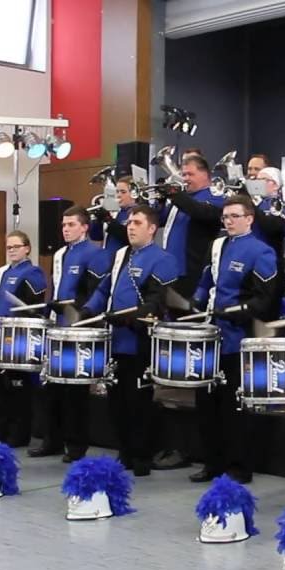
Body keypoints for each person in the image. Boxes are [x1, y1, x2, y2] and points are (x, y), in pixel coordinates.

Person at [83, 204, 180, 476]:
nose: (131, 227)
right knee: (116, 402)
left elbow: (157, 301)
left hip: (141, 342)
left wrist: (128, 318)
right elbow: (104, 288)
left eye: (137, 222)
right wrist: (87, 310)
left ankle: (142, 457)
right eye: (128, 223)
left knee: (139, 402)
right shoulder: (121, 255)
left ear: (152, 228)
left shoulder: (163, 259)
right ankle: (124, 452)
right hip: (115, 341)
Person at [190, 195, 279, 483]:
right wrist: (195, 302)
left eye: (234, 216)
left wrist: (234, 312)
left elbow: (264, 300)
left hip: (238, 338)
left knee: (234, 407)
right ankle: (212, 463)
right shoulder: (217, 246)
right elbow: (206, 281)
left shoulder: (262, 251)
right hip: (210, 335)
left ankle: (238, 466)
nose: (228, 221)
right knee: (206, 404)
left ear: (249, 218)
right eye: (225, 217)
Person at [32, 207, 109, 462]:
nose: (65, 229)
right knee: (52, 388)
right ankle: (52, 440)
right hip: (58, 329)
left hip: (79, 329)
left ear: (85, 227)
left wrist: (76, 310)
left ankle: (76, 445)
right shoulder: (60, 254)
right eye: (64, 225)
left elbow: (96, 292)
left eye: (71, 225)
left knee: (75, 392)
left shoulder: (95, 253)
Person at [0, 230, 48, 447]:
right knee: (2, 387)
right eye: (8, 247)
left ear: (27, 248)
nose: (11, 250)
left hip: (18, 336)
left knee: (18, 387)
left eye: (16, 247)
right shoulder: (1, 272)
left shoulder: (33, 272)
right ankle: (3, 430)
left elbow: (34, 305)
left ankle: (19, 433)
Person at [159, 155, 226, 298]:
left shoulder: (214, 195)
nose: (185, 178)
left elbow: (201, 212)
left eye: (190, 174)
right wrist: (161, 200)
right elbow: (160, 220)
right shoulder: (183, 198)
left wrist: (174, 194)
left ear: (205, 174)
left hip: (193, 270)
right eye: (184, 175)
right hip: (171, 268)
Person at [89, 175, 135, 255]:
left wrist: (108, 219)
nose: (118, 195)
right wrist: (97, 220)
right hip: (109, 257)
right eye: (117, 192)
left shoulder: (137, 212)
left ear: (134, 193)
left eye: (123, 192)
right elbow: (95, 237)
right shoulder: (115, 212)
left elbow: (128, 237)